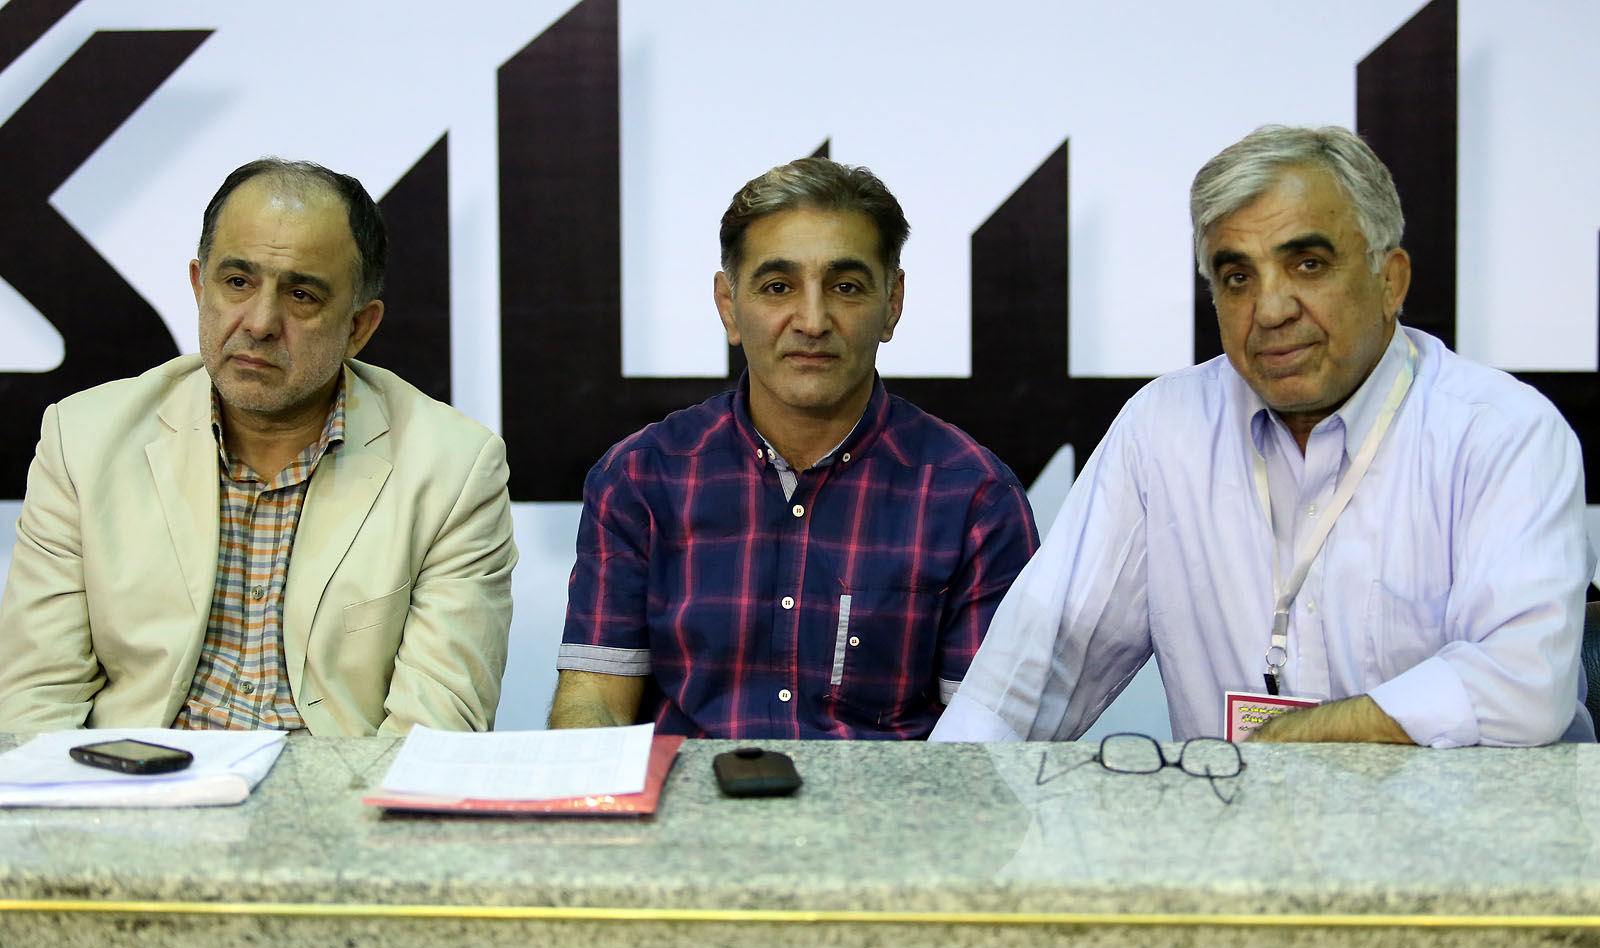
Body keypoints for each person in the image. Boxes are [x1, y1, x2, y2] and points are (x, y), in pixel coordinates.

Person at [932, 125, 1595, 747]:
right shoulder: (1163, 429)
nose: (1271, 310)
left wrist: (1307, 739)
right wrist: (942, 805)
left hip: (1468, 831)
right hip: (1239, 829)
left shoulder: (1501, 433)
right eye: (1238, 277)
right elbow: (1030, 674)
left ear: (1390, 280)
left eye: (1307, 264)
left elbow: (1523, 682)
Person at [0, 158, 516, 736]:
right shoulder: (83, 439)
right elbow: (35, 701)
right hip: (133, 776)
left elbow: (434, 732)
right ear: (199, 286)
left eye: (301, 294)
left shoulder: (453, 468)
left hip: (340, 784)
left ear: (358, 327)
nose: (261, 322)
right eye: (238, 283)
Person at [549, 157, 1038, 738]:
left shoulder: (974, 496)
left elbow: (988, 739)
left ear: (892, 303)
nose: (812, 320)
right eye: (778, 287)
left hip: (890, 800)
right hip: (688, 797)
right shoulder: (641, 477)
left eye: (845, 287)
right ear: (729, 306)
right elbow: (594, 702)